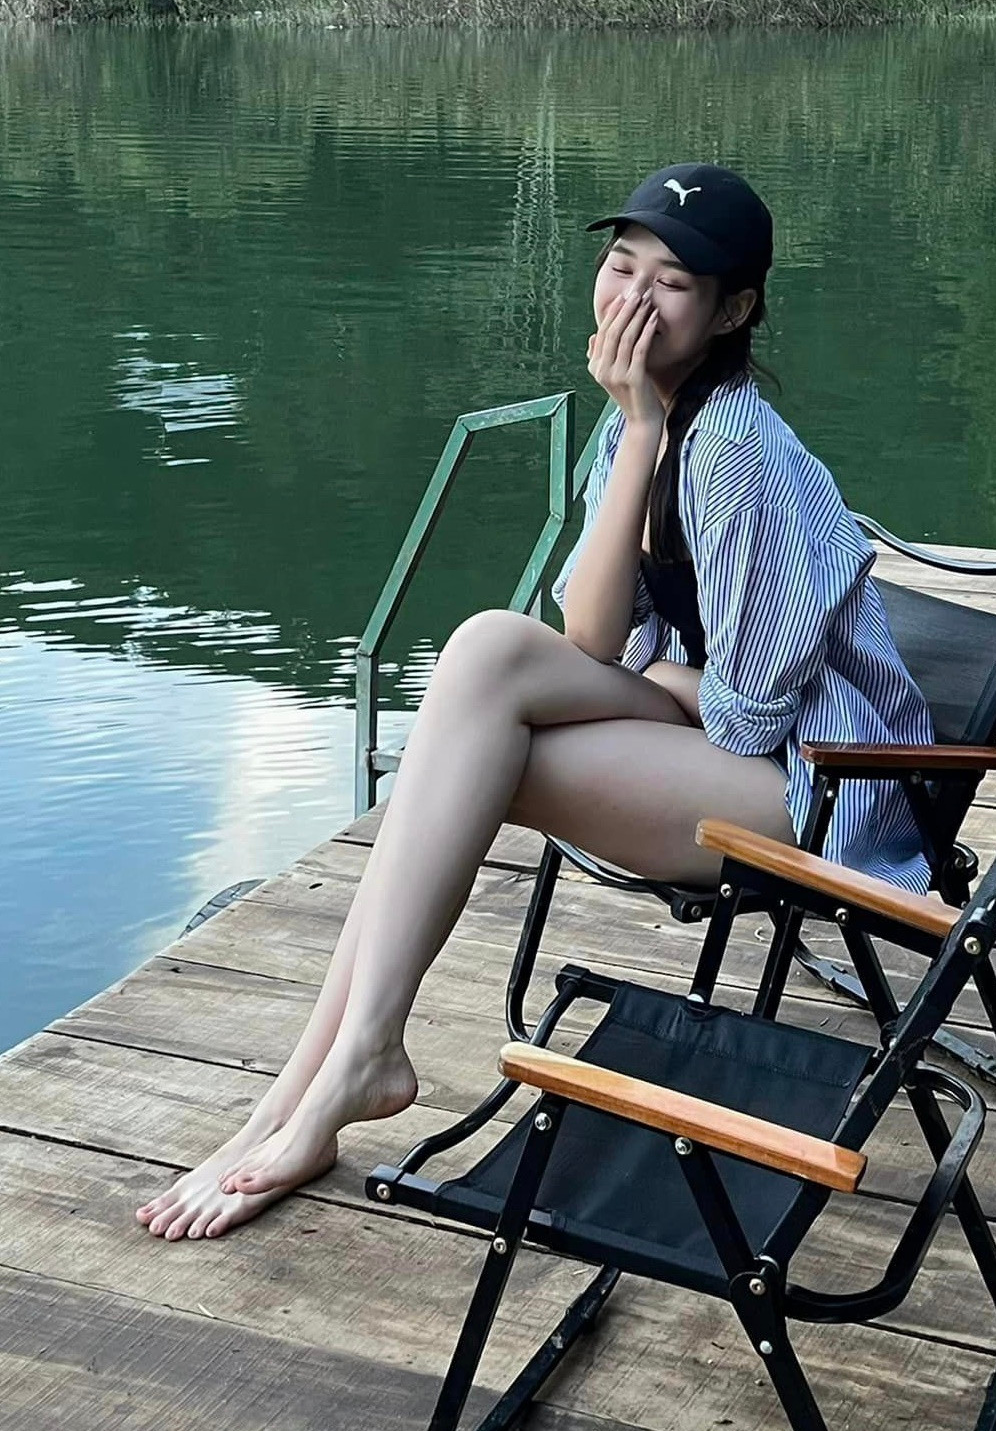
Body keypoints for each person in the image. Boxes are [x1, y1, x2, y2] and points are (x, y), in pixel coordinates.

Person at [136, 162, 933, 1242]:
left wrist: (660, 679)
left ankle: (333, 1078)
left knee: (461, 759)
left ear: (733, 310)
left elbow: (747, 716)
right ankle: (309, 1085)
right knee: (483, 657)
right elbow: (591, 636)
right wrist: (636, 433)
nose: (632, 300)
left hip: (821, 794)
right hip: (727, 745)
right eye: (620, 266)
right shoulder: (649, 416)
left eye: (672, 283)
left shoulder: (738, 451)